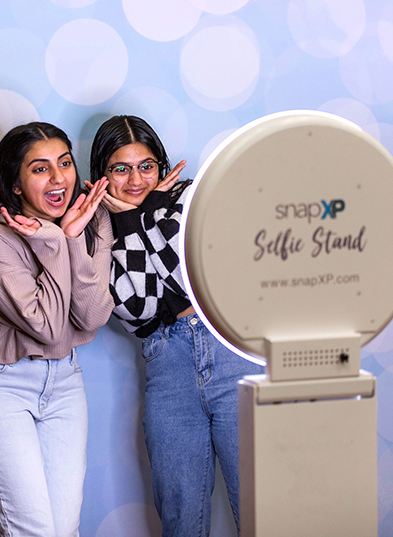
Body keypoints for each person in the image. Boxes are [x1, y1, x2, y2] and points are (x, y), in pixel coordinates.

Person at [89, 115, 263, 537]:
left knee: (263, 509)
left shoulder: (190, 200)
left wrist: (143, 213)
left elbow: (189, 280)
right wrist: (134, 221)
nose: (136, 180)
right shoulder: (95, 225)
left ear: (162, 167)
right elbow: (137, 307)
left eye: (146, 166)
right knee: (181, 515)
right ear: (101, 174)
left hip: (230, 356)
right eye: (121, 168)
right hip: (168, 367)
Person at [0, 122, 113, 537]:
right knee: (34, 532)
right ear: (16, 184)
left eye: (64, 163)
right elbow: (45, 325)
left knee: (64, 530)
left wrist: (74, 236)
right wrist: (58, 243)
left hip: (63, 382)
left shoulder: (91, 219)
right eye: (40, 169)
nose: (59, 177)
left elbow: (92, 316)